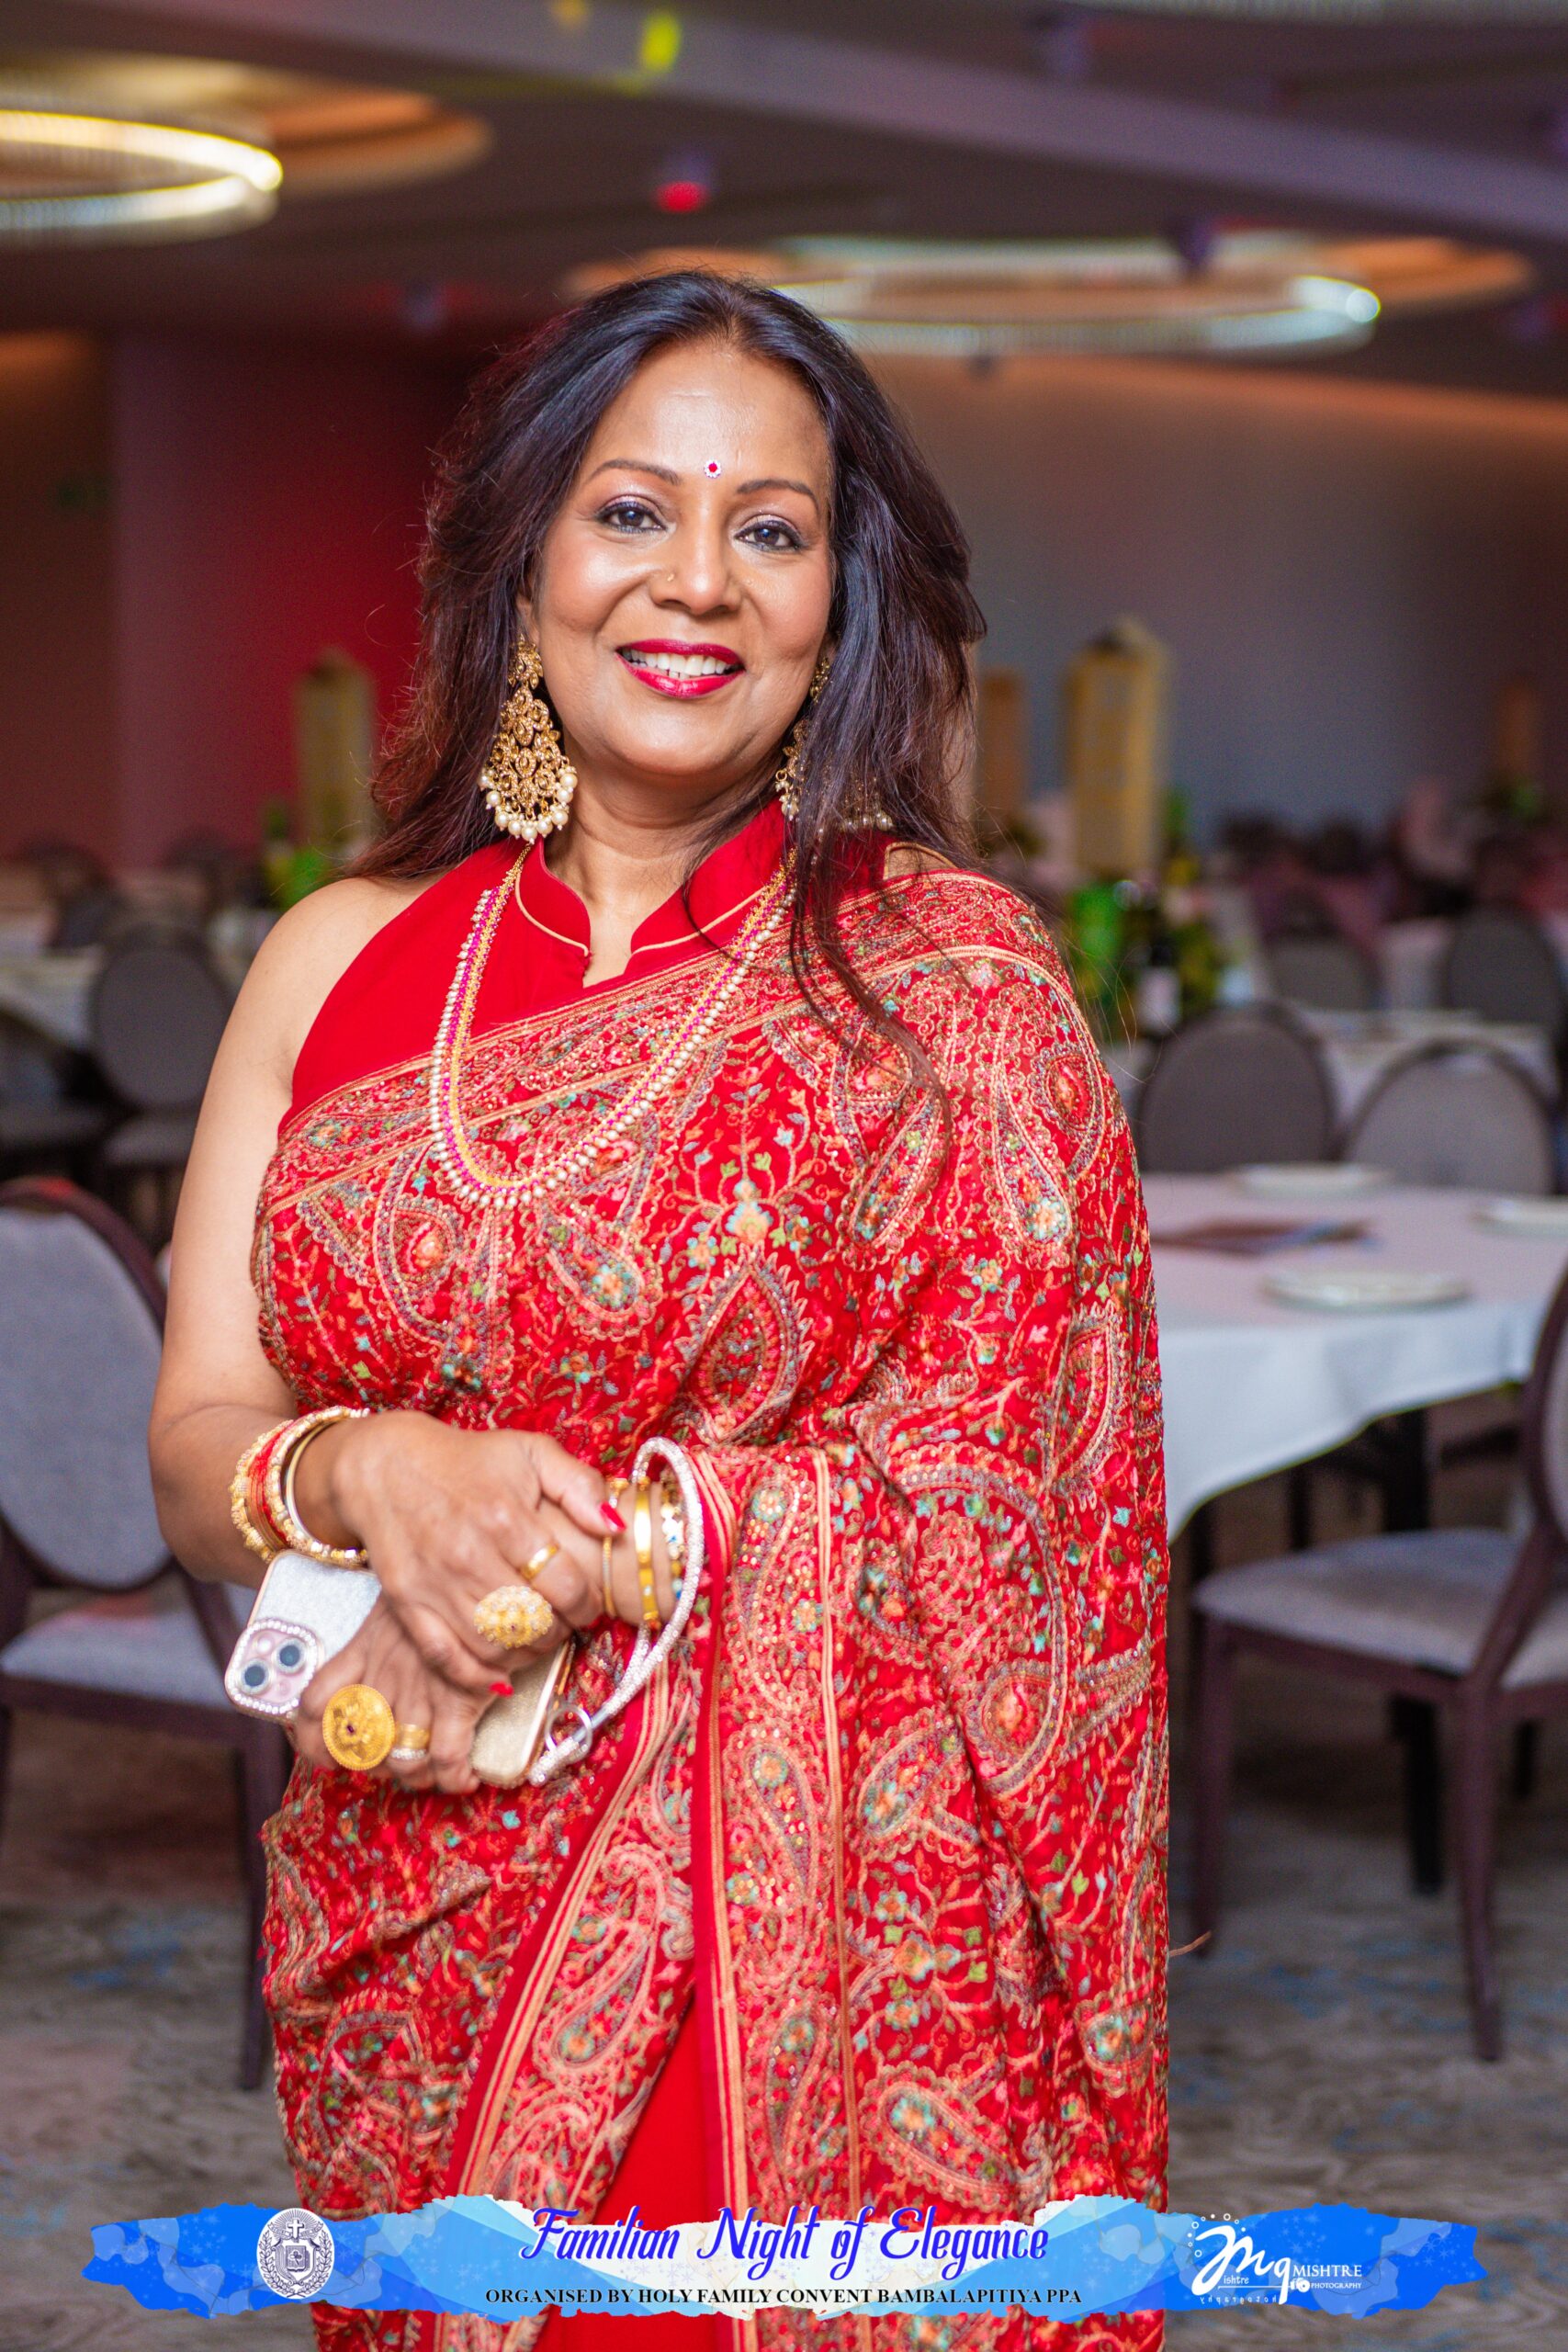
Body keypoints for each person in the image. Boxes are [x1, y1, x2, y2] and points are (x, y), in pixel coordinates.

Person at [150, 270, 1168, 2352]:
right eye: (630, 510)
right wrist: (369, 1471)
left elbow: (1022, 1517)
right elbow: (191, 1444)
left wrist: (587, 1556)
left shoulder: (952, 992)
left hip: (817, 1948)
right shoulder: (331, 960)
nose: (695, 579)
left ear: (835, 602)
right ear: (521, 562)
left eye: (768, 528)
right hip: (411, 1867)